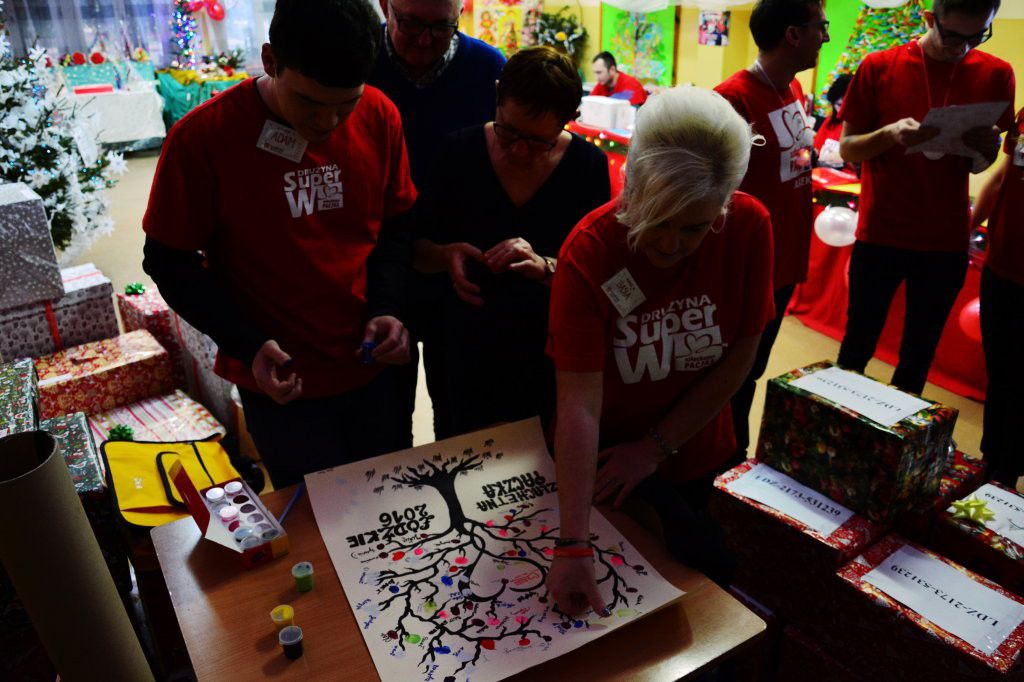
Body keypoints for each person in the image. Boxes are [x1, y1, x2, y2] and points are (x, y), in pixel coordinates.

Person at [142, 0, 417, 488]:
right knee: (313, 516)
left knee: (393, 500)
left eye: (345, 104)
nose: (329, 123)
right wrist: (247, 343)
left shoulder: (380, 115)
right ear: (270, 61)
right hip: (280, 381)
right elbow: (168, 261)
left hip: (374, 370)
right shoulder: (203, 138)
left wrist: (389, 306)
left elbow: (395, 226)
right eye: (310, 103)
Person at [544, 86, 775, 615]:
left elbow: (741, 355)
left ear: (724, 202)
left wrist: (654, 447)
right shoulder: (591, 250)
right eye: (659, 220)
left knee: (701, 598)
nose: (672, 244)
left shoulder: (749, 226)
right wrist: (573, 543)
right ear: (635, 184)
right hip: (606, 465)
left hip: (695, 447)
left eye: (695, 227)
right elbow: (578, 403)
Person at [414, 46, 610, 437]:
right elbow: (413, 248)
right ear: (497, 95)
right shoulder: (457, 152)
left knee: (536, 454)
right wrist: (445, 255)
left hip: (546, 349)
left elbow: (601, 274)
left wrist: (547, 266)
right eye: (509, 131)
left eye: (539, 142)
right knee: (458, 449)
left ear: (570, 119)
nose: (519, 150)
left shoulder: (587, 167)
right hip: (460, 347)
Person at [837, 0, 1014, 395]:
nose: (962, 48)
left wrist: (985, 149)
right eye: (952, 37)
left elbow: (980, 167)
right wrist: (889, 134)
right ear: (930, 18)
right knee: (856, 347)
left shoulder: (997, 73)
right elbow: (848, 149)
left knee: (918, 358)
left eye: (977, 37)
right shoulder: (880, 66)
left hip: (945, 240)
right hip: (881, 232)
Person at [370, 0, 506, 446]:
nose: (425, 40)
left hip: (462, 272)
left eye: (441, 26)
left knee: (462, 419)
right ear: (385, 6)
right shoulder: (360, 59)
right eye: (410, 23)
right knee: (384, 422)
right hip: (375, 271)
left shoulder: (488, 69)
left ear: (460, 13)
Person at [714, 0, 829, 465]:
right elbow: (714, 188)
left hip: (784, 260)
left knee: (754, 368)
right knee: (731, 374)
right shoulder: (732, 99)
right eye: (821, 26)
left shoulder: (793, 87)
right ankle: (721, 458)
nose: (826, 36)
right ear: (792, 35)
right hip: (745, 265)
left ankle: (732, 456)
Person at [969, 106, 1023, 487]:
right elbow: (1002, 176)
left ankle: (1009, 470)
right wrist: (967, 226)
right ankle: (989, 460)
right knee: (1000, 371)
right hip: (1000, 266)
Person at [814, 73, 853, 171]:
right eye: (838, 105)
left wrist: (844, 158)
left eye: (845, 105)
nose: (841, 110)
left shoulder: (865, 128)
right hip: (823, 175)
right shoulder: (830, 122)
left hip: (849, 178)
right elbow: (816, 149)